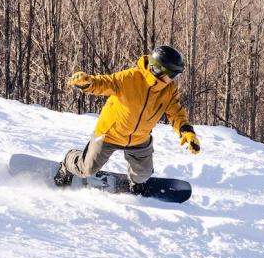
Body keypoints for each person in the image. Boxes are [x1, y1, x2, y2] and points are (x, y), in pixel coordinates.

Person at [56, 44, 201, 192]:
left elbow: (176, 112)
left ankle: (135, 182)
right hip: (109, 134)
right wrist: (88, 83)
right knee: (86, 169)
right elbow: (105, 83)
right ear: (158, 69)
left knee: (143, 175)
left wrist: (186, 131)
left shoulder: (169, 90)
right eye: (173, 75)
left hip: (139, 138)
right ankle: (68, 162)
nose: (174, 79)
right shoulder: (129, 78)